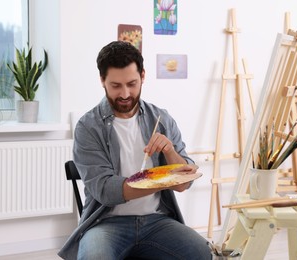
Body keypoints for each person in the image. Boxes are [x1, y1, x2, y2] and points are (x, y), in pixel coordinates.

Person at [58, 41, 211, 260]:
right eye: (116, 86)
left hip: (157, 220)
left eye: (132, 83)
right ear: (102, 80)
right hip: (106, 223)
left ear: (143, 76)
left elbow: (185, 183)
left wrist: (169, 152)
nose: (125, 93)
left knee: (202, 253)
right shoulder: (88, 127)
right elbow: (105, 190)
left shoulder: (161, 118)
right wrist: (163, 178)